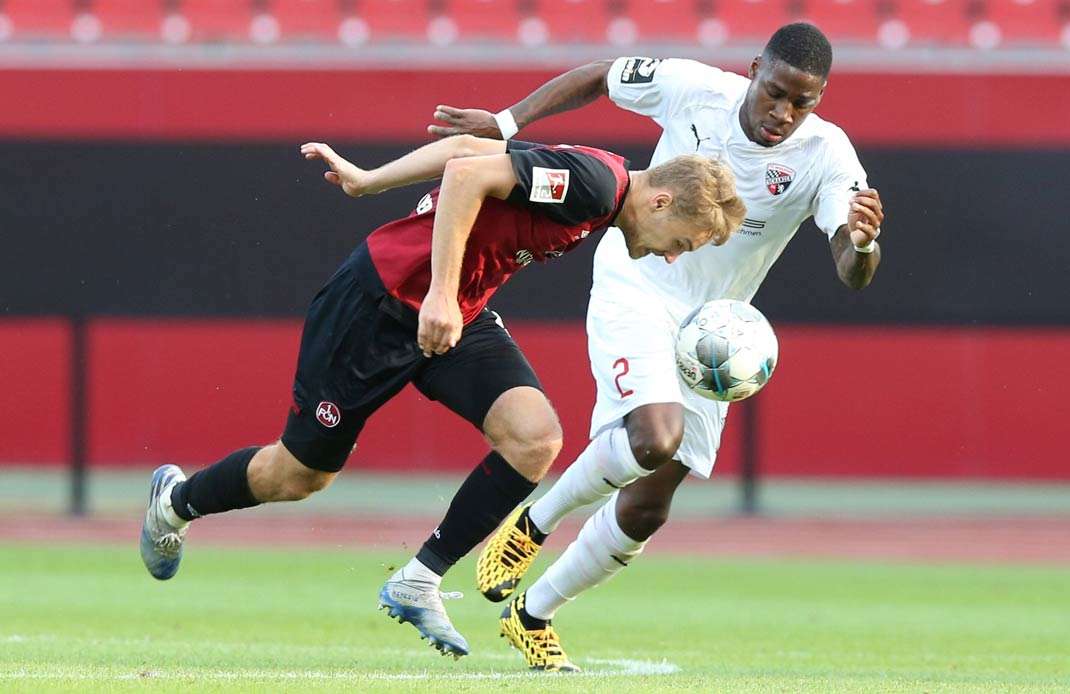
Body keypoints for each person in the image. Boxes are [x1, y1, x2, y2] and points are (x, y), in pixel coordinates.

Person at [138, 134, 745, 659]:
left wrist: (370, 181)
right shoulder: (593, 183)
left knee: (534, 439)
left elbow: (469, 150)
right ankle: (177, 502)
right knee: (298, 475)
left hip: (453, 313)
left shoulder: (600, 182)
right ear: (660, 201)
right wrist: (437, 291)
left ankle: (417, 580)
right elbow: (465, 174)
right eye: (681, 243)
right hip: (380, 305)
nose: (671, 256)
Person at [432, 23, 886, 671]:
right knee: (651, 438)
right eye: (776, 93)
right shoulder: (693, 89)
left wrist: (864, 243)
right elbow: (597, 74)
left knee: (647, 505)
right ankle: (533, 525)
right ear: (755, 70)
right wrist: (507, 123)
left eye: (802, 102)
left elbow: (850, 266)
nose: (784, 113)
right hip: (639, 278)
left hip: (714, 330)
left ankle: (533, 613)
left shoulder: (826, 155)